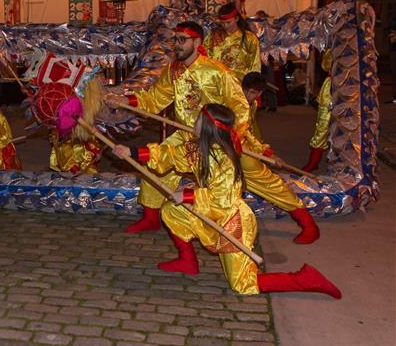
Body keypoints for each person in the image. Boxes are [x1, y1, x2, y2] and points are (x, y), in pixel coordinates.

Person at [105, 21, 319, 244]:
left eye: (181, 40)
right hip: (187, 135)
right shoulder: (173, 70)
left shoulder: (217, 71)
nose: (176, 45)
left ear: (197, 42)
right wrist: (125, 100)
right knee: (157, 164)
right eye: (174, 39)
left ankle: (307, 222)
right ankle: (151, 217)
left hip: (220, 137)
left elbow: (240, 106)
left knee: (260, 178)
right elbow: (155, 99)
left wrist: (231, 135)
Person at [112, 103, 340, 298]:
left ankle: (305, 279)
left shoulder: (224, 160)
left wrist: (189, 195)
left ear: (208, 126)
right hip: (209, 213)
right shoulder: (197, 147)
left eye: (199, 118)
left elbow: (222, 199)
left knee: (243, 285)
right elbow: (169, 155)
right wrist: (131, 152)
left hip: (231, 223)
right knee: (172, 211)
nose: (194, 121)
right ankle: (187, 261)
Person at [204, 2, 261, 83]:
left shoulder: (249, 38)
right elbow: (205, 57)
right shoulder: (214, 36)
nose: (226, 26)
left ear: (236, 18)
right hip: (216, 82)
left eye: (228, 22)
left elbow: (255, 64)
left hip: (239, 83)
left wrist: (252, 84)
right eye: (223, 23)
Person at [303, 50, 332, 172]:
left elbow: (326, 65)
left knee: (328, 128)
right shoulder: (331, 47)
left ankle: (314, 162)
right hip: (331, 89)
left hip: (342, 89)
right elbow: (326, 66)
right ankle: (313, 162)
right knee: (322, 127)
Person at [241, 71, 267, 144]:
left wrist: (260, 144)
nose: (247, 95)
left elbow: (254, 128)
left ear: (259, 93)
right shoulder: (236, 104)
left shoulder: (254, 104)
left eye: (252, 92)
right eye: (245, 90)